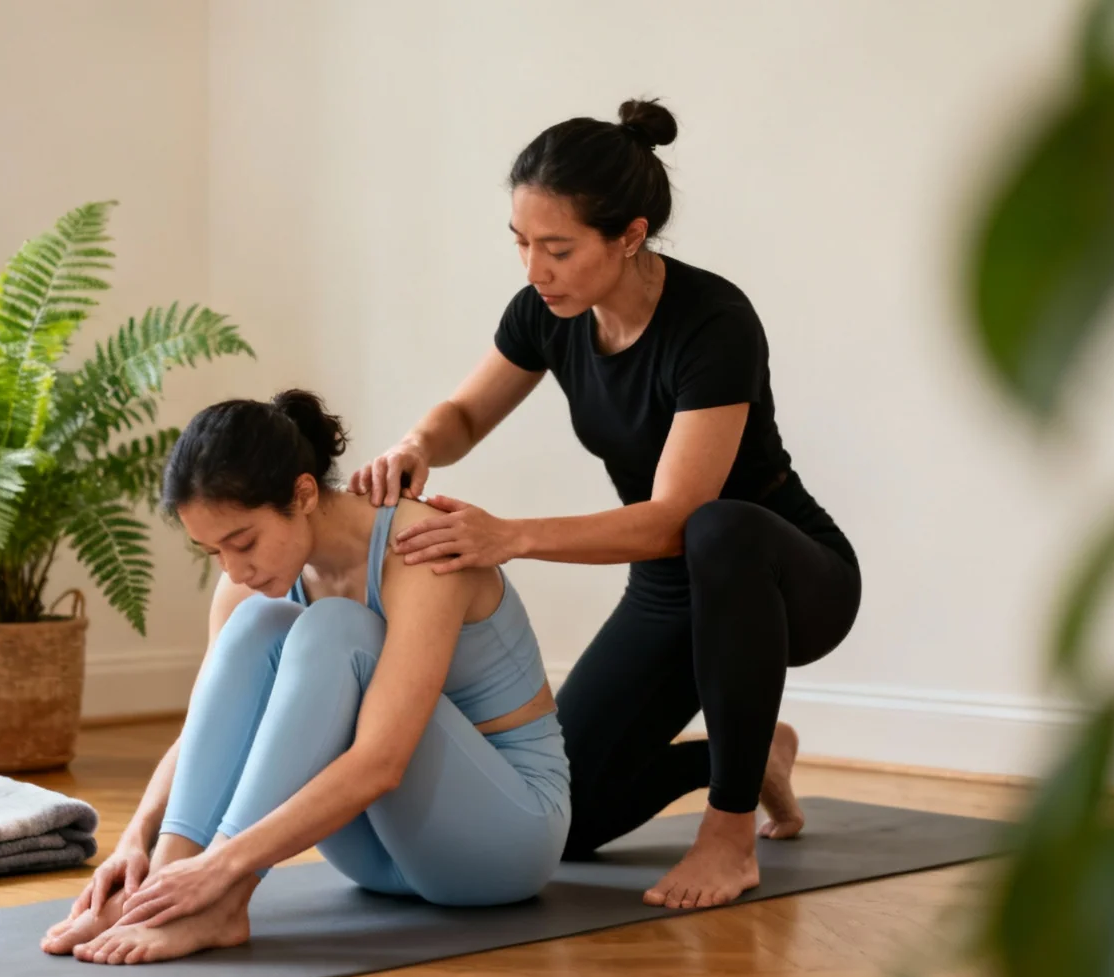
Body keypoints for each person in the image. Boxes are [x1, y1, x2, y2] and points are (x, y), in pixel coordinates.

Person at [350, 99, 861, 911]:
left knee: (715, 526)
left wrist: (508, 536)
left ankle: (729, 835)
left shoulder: (713, 323)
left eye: (558, 249)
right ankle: (748, 755)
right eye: (521, 244)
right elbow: (466, 417)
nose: (534, 270)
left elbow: (673, 516)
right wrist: (415, 445)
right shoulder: (546, 315)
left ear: (631, 235)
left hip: (785, 574)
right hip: (670, 585)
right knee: (565, 815)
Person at [40, 390, 570, 965]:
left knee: (337, 628)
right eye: (212, 552)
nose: (234, 567)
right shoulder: (249, 579)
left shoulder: (418, 544)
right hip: (376, 858)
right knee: (259, 622)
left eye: (243, 542)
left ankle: (221, 901)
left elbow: (382, 762)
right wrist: (139, 838)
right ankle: (160, 895)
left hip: (500, 839)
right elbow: (206, 729)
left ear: (304, 492)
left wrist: (221, 867)